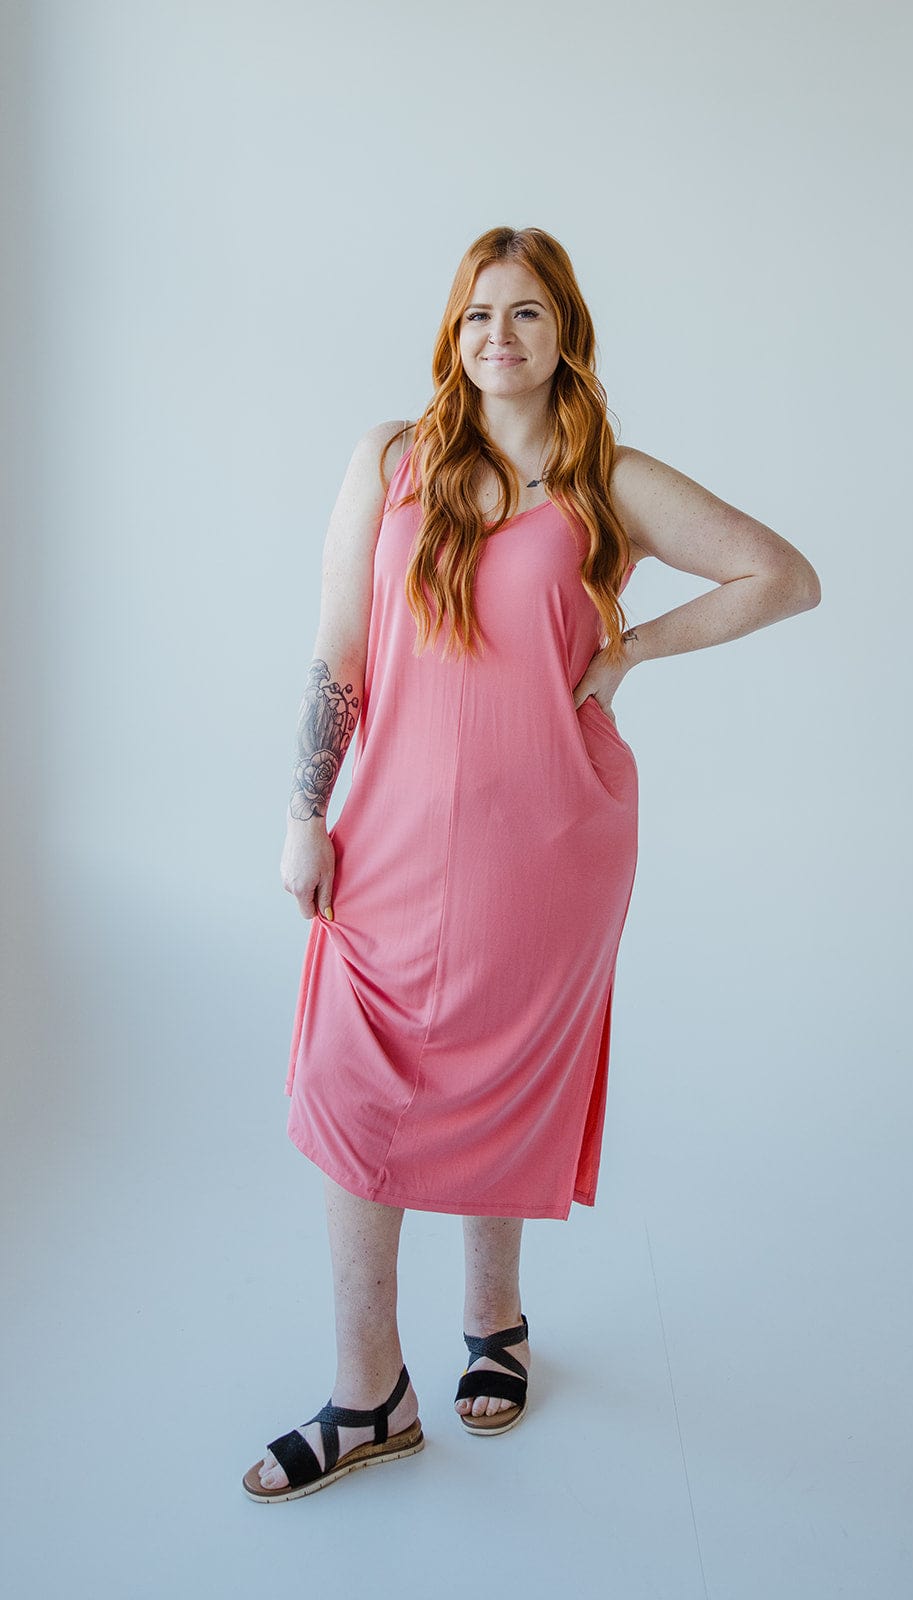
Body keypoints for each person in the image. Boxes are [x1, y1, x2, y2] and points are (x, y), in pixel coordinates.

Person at [242, 225, 821, 1503]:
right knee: (356, 1084)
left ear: (565, 333)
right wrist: (303, 807)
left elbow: (782, 575)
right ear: (452, 337)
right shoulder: (390, 461)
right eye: (475, 316)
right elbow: (341, 645)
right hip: (387, 834)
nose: (497, 337)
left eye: (524, 314)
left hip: (547, 841)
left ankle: (492, 1324)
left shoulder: (604, 477)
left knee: (497, 1069)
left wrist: (629, 651)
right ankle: (366, 1394)